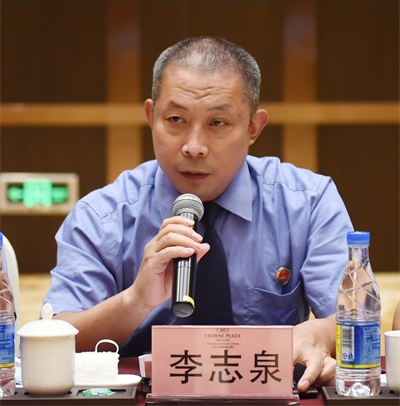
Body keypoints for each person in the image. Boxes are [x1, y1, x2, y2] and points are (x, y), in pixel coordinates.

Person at [44, 36, 353, 391]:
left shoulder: (308, 202)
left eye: (218, 123)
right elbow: (54, 341)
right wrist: (135, 300)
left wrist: (318, 332)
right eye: (176, 119)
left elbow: (357, 316)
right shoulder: (101, 215)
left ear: (253, 128)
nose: (194, 146)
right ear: (151, 117)